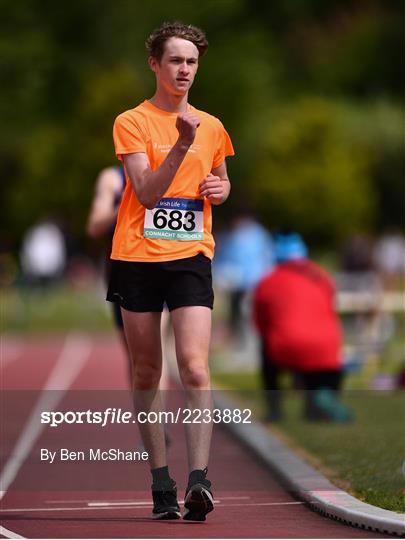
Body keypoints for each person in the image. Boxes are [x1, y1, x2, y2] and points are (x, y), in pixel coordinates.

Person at [106, 22, 234, 521]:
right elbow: (146, 193)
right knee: (146, 370)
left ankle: (200, 480)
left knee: (196, 367)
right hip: (137, 256)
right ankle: (161, 481)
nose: (185, 70)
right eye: (176, 61)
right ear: (155, 65)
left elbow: (220, 180)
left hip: (190, 256)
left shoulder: (214, 125)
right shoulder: (132, 122)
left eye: (192, 62)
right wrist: (180, 144)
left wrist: (221, 190)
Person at [252, 232, 352, 423]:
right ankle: (318, 402)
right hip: (328, 353)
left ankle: (275, 409)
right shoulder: (322, 276)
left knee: (269, 347)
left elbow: (260, 325)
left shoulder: (268, 281)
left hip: (288, 348)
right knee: (318, 355)